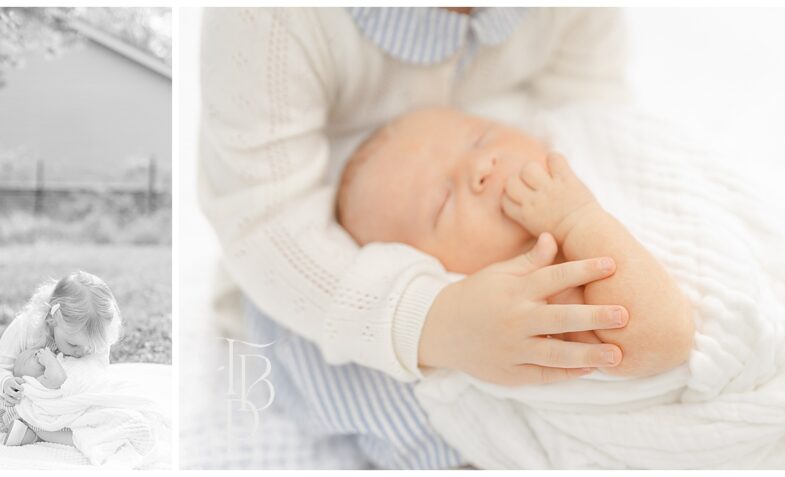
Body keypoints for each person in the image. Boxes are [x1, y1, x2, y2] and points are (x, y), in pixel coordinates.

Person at [200, 7, 630, 468]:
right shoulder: (269, 20)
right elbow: (266, 223)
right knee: (408, 397)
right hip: (332, 270)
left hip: (532, 201)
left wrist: (580, 213)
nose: (479, 170)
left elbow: (588, 110)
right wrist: (434, 321)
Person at [336, 108, 695, 378]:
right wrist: (578, 221)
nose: (480, 166)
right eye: (443, 203)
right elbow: (665, 342)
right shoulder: (539, 301)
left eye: (481, 138)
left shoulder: (584, 141)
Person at [0, 271, 123, 446]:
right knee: (2, 402)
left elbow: (97, 373)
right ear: (53, 319)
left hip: (65, 399)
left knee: (99, 406)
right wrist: (5, 383)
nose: (81, 352)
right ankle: (31, 428)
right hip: (28, 398)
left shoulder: (95, 335)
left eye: (90, 347)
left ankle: (44, 432)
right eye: (73, 345)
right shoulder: (25, 328)